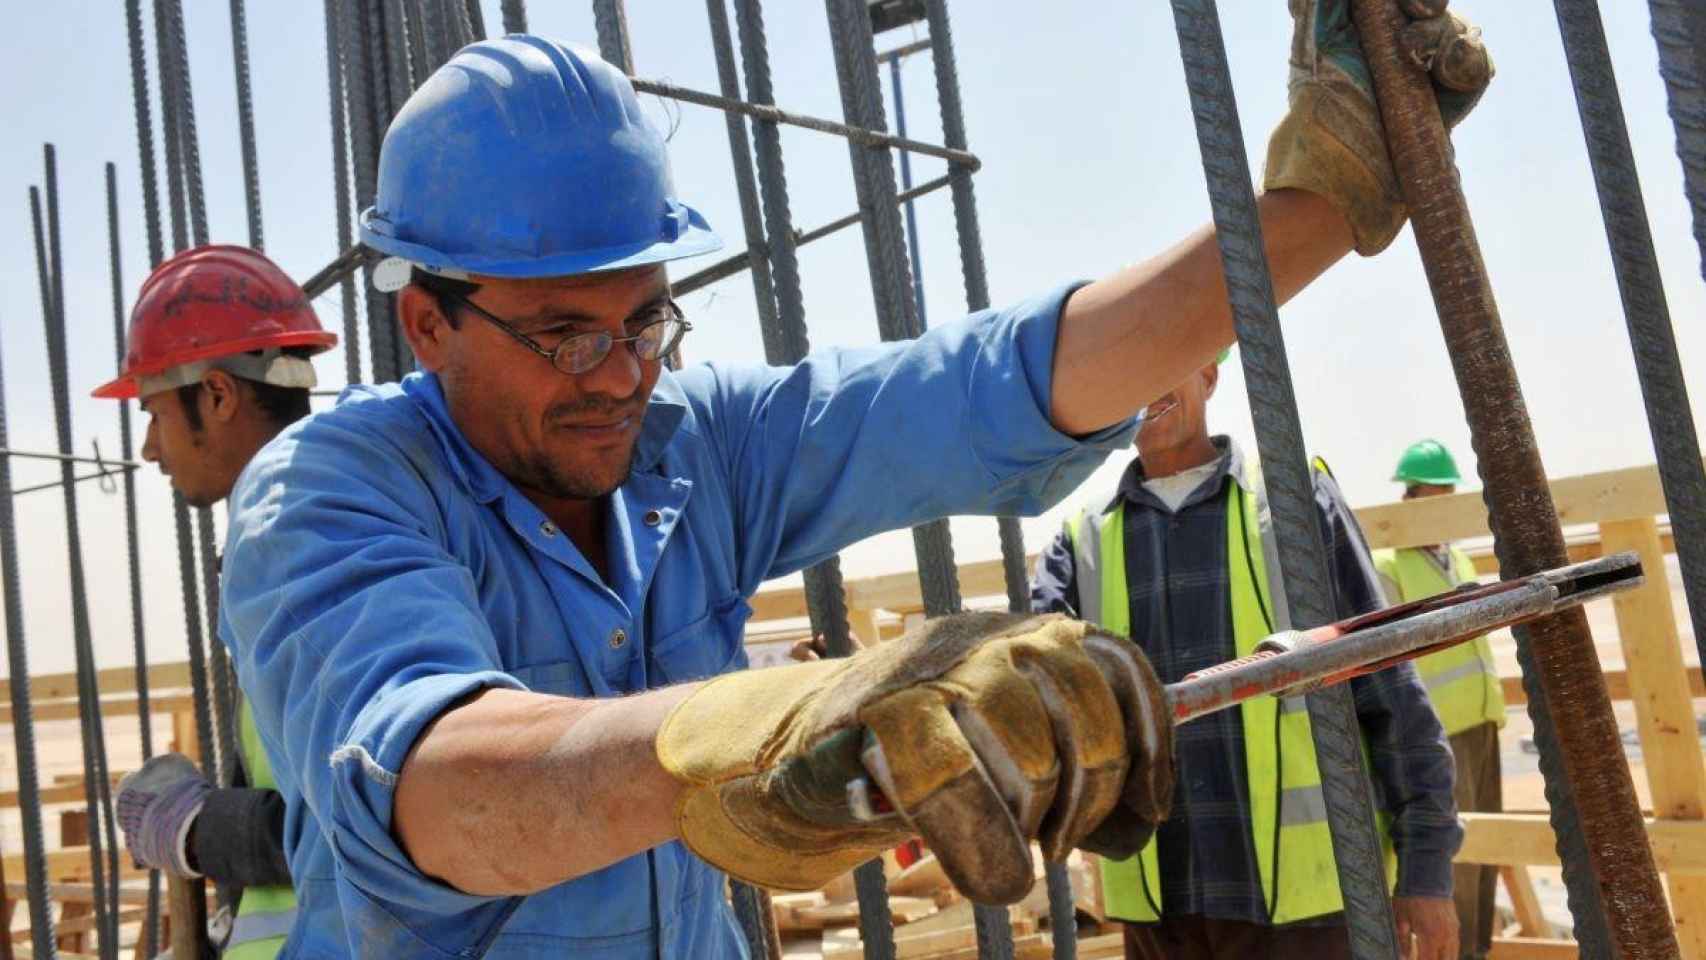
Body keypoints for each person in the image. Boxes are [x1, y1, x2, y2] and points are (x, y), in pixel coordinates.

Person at [216, 3, 1493, 956]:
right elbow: (435, 792)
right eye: (562, 334)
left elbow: (984, 385)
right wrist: (748, 738)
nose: (616, 375)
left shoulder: (689, 444)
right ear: (426, 323)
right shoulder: (328, 492)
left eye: (647, 320)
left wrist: (1322, 205)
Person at [1030, 355, 1462, 960]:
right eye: (1126, 373)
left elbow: (1387, 680)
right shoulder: (1080, 543)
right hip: (1162, 907)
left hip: (1309, 907)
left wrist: (1426, 869)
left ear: (1207, 374)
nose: (1148, 385)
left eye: (1168, 360)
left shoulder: (1291, 500)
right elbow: (1036, 702)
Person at [104, 244, 337, 959]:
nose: (148, 447)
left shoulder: (315, 549)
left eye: (154, 412)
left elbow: (372, 825)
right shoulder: (286, 542)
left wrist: (198, 830)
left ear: (217, 394)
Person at [1373, 439, 1506, 960]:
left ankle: (1475, 952)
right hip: (1436, 736)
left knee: (1484, 856)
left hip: (1480, 725)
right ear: (1411, 498)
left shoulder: (1460, 558)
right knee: (1448, 858)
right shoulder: (1389, 564)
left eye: (1451, 491)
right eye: (1436, 493)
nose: (1446, 501)